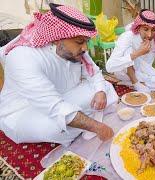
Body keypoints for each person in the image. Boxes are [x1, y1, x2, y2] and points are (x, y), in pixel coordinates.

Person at [0, 3, 118, 146]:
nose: (85, 48)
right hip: (24, 111)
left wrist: (100, 91)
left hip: (62, 96)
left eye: (86, 41)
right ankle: (88, 121)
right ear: (57, 39)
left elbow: (94, 73)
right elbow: (54, 107)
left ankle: (83, 120)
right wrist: (97, 127)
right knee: (56, 128)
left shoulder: (74, 50)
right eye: (80, 41)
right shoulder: (22, 57)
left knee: (105, 88)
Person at [105, 9, 155, 92]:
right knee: (128, 50)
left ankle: (134, 83)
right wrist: (138, 53)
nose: (149, 35)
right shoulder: (128, 36)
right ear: (138, 28)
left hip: (144, 72)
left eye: (153, 30)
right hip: (125, 73)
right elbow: (109, 67)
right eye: (146, 29)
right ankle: (135, 83)